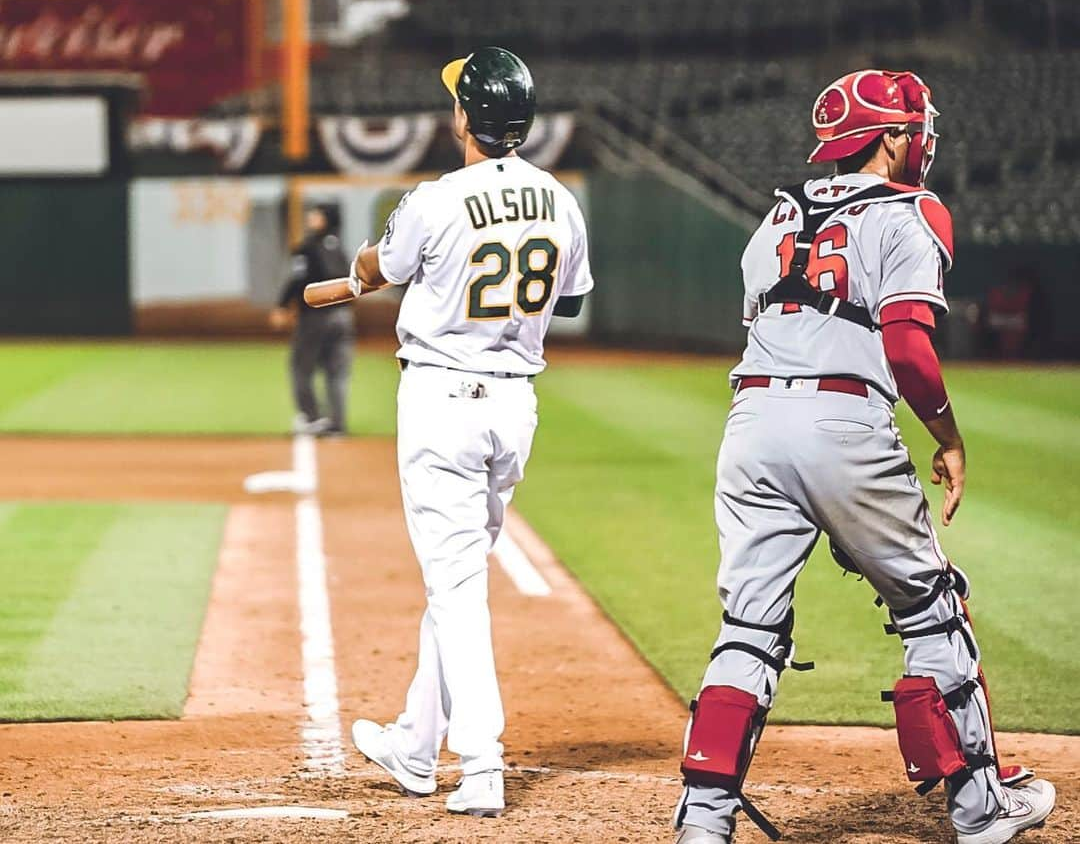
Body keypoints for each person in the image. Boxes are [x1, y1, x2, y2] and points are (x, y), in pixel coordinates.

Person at [673, 70, 1055, 844]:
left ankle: (702, 823)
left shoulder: (777, 214)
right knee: (931, 608)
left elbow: (762, 314)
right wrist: (947, 436)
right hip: (844, 419)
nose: (922, 140)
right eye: (913, 127)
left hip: (750, 421)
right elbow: (908, 346)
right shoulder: (913, 211)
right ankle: (981, 808)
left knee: (748, 627)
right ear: (888, 137)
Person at [338, 47, 593, 816]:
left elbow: (381, 266)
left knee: (453, 584)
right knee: (456, 579)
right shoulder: (560, 198)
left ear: (464, 117)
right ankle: (416, 744)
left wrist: (361, 264)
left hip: (443, 401)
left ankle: (481, 761)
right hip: (514, 407)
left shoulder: (437, 198)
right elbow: (571, 303)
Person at [270, 204, 354, 436]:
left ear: (326, 219)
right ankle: (337, 424)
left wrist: (282, 305)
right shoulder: (339, 248)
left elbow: (299, 279)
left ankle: (312, 418)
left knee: (300, 367)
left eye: (316, 214)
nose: (311, 216)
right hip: (344, 316)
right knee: (337, 372)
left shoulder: (308, 248)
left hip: (316, 316)